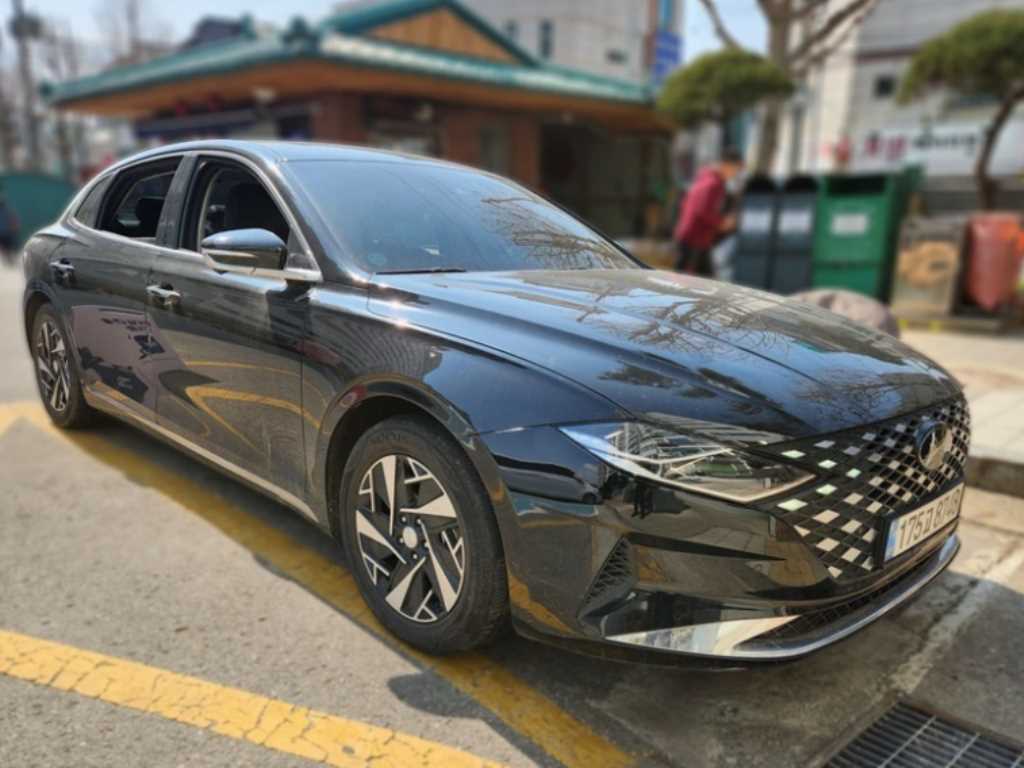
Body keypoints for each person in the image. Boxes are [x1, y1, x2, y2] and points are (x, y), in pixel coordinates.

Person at [673, 148, 743, 276]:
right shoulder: (713, 183)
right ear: (727, 165)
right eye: (736, 169)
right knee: (683, 281)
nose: (735, 174)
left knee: (704, 279)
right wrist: (722, 223)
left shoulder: (706, 178)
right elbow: (702, 210)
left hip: (697, 239)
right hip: (694, 239)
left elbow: (687, 204)